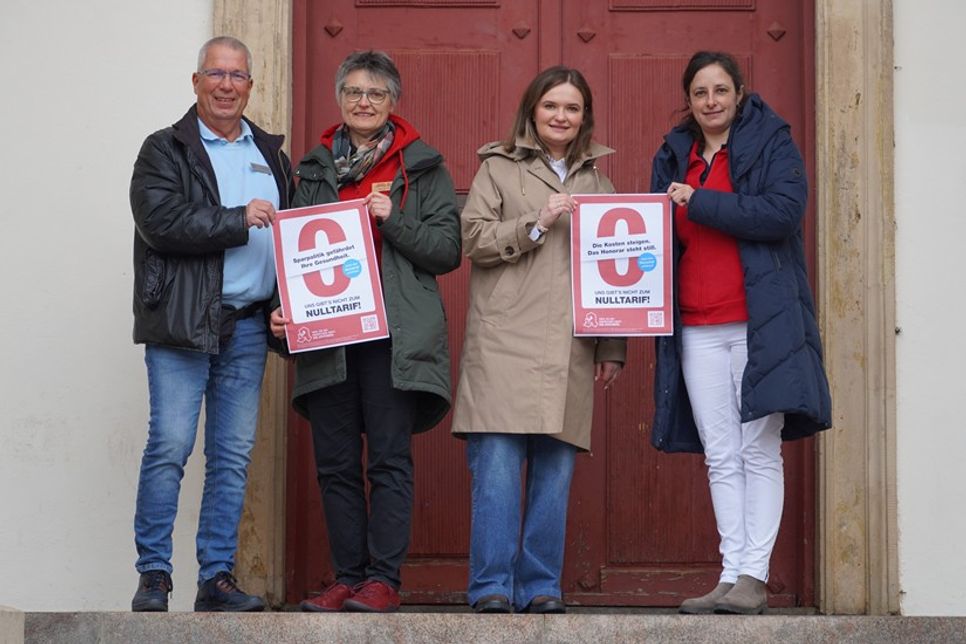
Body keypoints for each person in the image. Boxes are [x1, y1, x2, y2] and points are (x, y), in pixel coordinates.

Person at [269, 50, 461, 613]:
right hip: (329, 334)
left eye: (376, 93)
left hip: (392, 336)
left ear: (392, 101)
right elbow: (291, 255)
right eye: (354, 92)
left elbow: (447, 250)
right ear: (339, 99)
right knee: (334, 464)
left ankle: (383, 580)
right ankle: (347, 578)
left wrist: (392, 218)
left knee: (388, 460)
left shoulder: (422, 167)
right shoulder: (311, 170)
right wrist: (281, 313)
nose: (364, 102)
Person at [649, 51, 832, 615]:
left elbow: (781, 213)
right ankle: (730, 575)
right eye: (700, 92)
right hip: (697, 325)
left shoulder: (772, 142)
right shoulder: (674, 153)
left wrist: (700, 200)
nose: (711, 102)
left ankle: (755, 574)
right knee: (721, 454)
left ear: (739, 92)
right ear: (688, 99)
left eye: (720, 90)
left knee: (759, 450)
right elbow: (656, 234)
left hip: (759, 323)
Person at [451, 66, 626, 614]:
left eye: (572, 108)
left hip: (570, 345)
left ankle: (541, 586)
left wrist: (612, 346)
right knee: (498, 473)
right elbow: (472, 238)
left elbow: (614, 269)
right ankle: (491, 586)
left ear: (584, 116)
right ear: (532, 109)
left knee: (555, 474)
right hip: (503, 342)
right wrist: (537, 220)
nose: (561, 116)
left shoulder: (600, 183)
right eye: (551, 105)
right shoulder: (497, 168)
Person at [129, 36, 292, 612]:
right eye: (216, 74)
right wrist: (235, 218)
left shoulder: (271, 153)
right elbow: (160, 221)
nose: (227, 85)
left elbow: (290, 240)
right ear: (196, 82)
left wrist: (285, 304)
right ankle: (154, 574)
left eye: (237, 75)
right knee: (170, 446)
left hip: (248, 328)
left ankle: (215, 578)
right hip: (182, 325)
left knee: (231, 457)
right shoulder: (164, 148)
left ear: (251, 85)